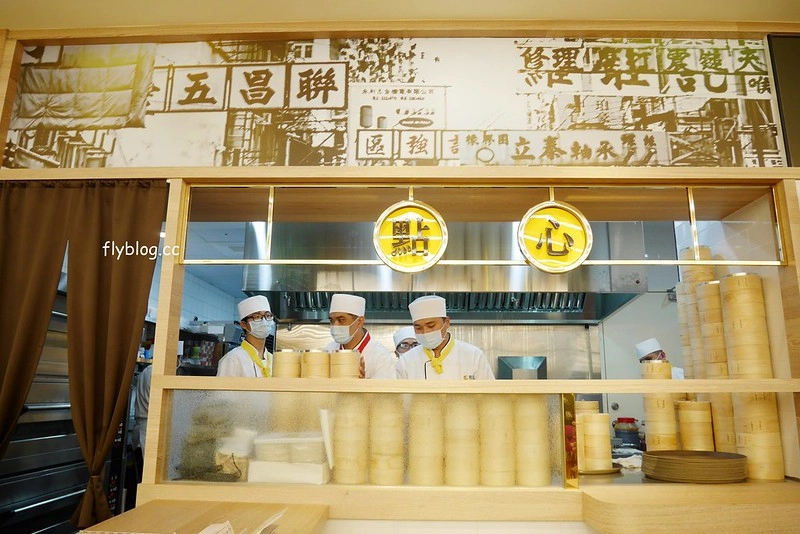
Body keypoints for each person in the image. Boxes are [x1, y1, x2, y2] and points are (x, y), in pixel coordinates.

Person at [397, 295, 494, 380]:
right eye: (418, 328)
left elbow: (490, 396)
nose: (425, 332)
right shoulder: (407, 360)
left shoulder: (473, 356)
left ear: (446, 322)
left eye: (431, 326)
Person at [323, 293, 397, 379]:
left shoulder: (380, 356)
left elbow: (385, 391)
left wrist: (362, 385)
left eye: (341, 320)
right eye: (332, 320)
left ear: (360, 321)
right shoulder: (328, 350)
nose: (335, 325)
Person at [217, 295, 275, 377]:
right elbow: (222, 389)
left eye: (267, 316)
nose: (264, 321)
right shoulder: (233, 359)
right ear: (244, 324)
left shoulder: (273, 360)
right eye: (257, 317)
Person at [132, 363, 152, 481]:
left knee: (141, 477)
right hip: (149, 431)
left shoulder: (146, 371)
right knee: (147, 479)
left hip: (141, 429)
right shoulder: (156, 373)